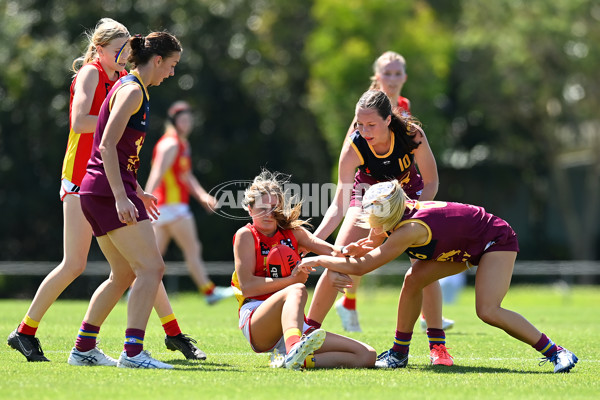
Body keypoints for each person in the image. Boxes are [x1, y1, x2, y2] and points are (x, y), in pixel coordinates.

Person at [299, 180, 579, 373]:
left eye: (372, 214)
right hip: (463, 247)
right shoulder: (397, 211)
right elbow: (374, 242)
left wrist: (317, 259)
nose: (369, 220)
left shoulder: (407, 230)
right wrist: (360, 246)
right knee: (413, 280)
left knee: (488, 310)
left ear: (386, 213)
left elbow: (362, 268)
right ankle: (399, 354)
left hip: (495, 239)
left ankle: (556, 352)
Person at [7, 18, 132, 362]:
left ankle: (87, 345)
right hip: (80, 178)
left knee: (128, 269)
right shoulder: (92, 73)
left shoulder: (122, 78)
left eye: (127, 47)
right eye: (119, 47)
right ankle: (25, 332)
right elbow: (80, 122)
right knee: (74, 264)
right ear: (101, 48)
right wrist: (121, 125)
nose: (125, 53)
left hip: (104, 180)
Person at [66, 31, 186, 369]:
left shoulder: (133, 88)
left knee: (123, 274)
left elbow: (120, 154)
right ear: (157, 60)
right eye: (172, 65)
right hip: (105, 191)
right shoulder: (132, 90)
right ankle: (133, 353)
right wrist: (122, 196)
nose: (172, 73)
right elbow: (105, 145)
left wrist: (137, 190)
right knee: (152, 267)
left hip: (98, 189)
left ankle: (83, 348)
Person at [318, 51, 452, 334]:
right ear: (377, 77)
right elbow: (343, 187)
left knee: (425, 267)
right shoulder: (362, 123)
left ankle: (436, 339)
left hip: (407, 192)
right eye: (386, 73)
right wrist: (312, 240)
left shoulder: (408, 123)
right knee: (340, 260)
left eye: (397, 73)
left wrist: (414, 211)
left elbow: (430, 180)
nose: (365, 131)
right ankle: (306, 331)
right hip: (367, 192)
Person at [232, 170, 376, 370]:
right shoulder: (246, 235)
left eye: (274, 207)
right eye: (262, 208)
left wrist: (347, 251)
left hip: (293, 323)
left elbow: (330, 250)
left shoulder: (292, 232)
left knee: (366, 355)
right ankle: (294, 349)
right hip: (258, 318)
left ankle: (297, 360)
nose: (269, 213)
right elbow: (247, 288)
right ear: (250, 209)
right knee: (297, 289)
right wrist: (292, 281)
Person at [144, 100, 233, 305]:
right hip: (173, 208)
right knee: (192, 249)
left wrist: (202, 196)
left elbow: (185, 176)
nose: (187, 123)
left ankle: (134, 291)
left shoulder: (180, 143)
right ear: (174, 122)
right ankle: (209, 292)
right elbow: (157, 173)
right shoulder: (172, 144)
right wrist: (144, 198)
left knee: (153, 257)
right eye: (182, 119)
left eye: (188, 119)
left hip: (163, 209)